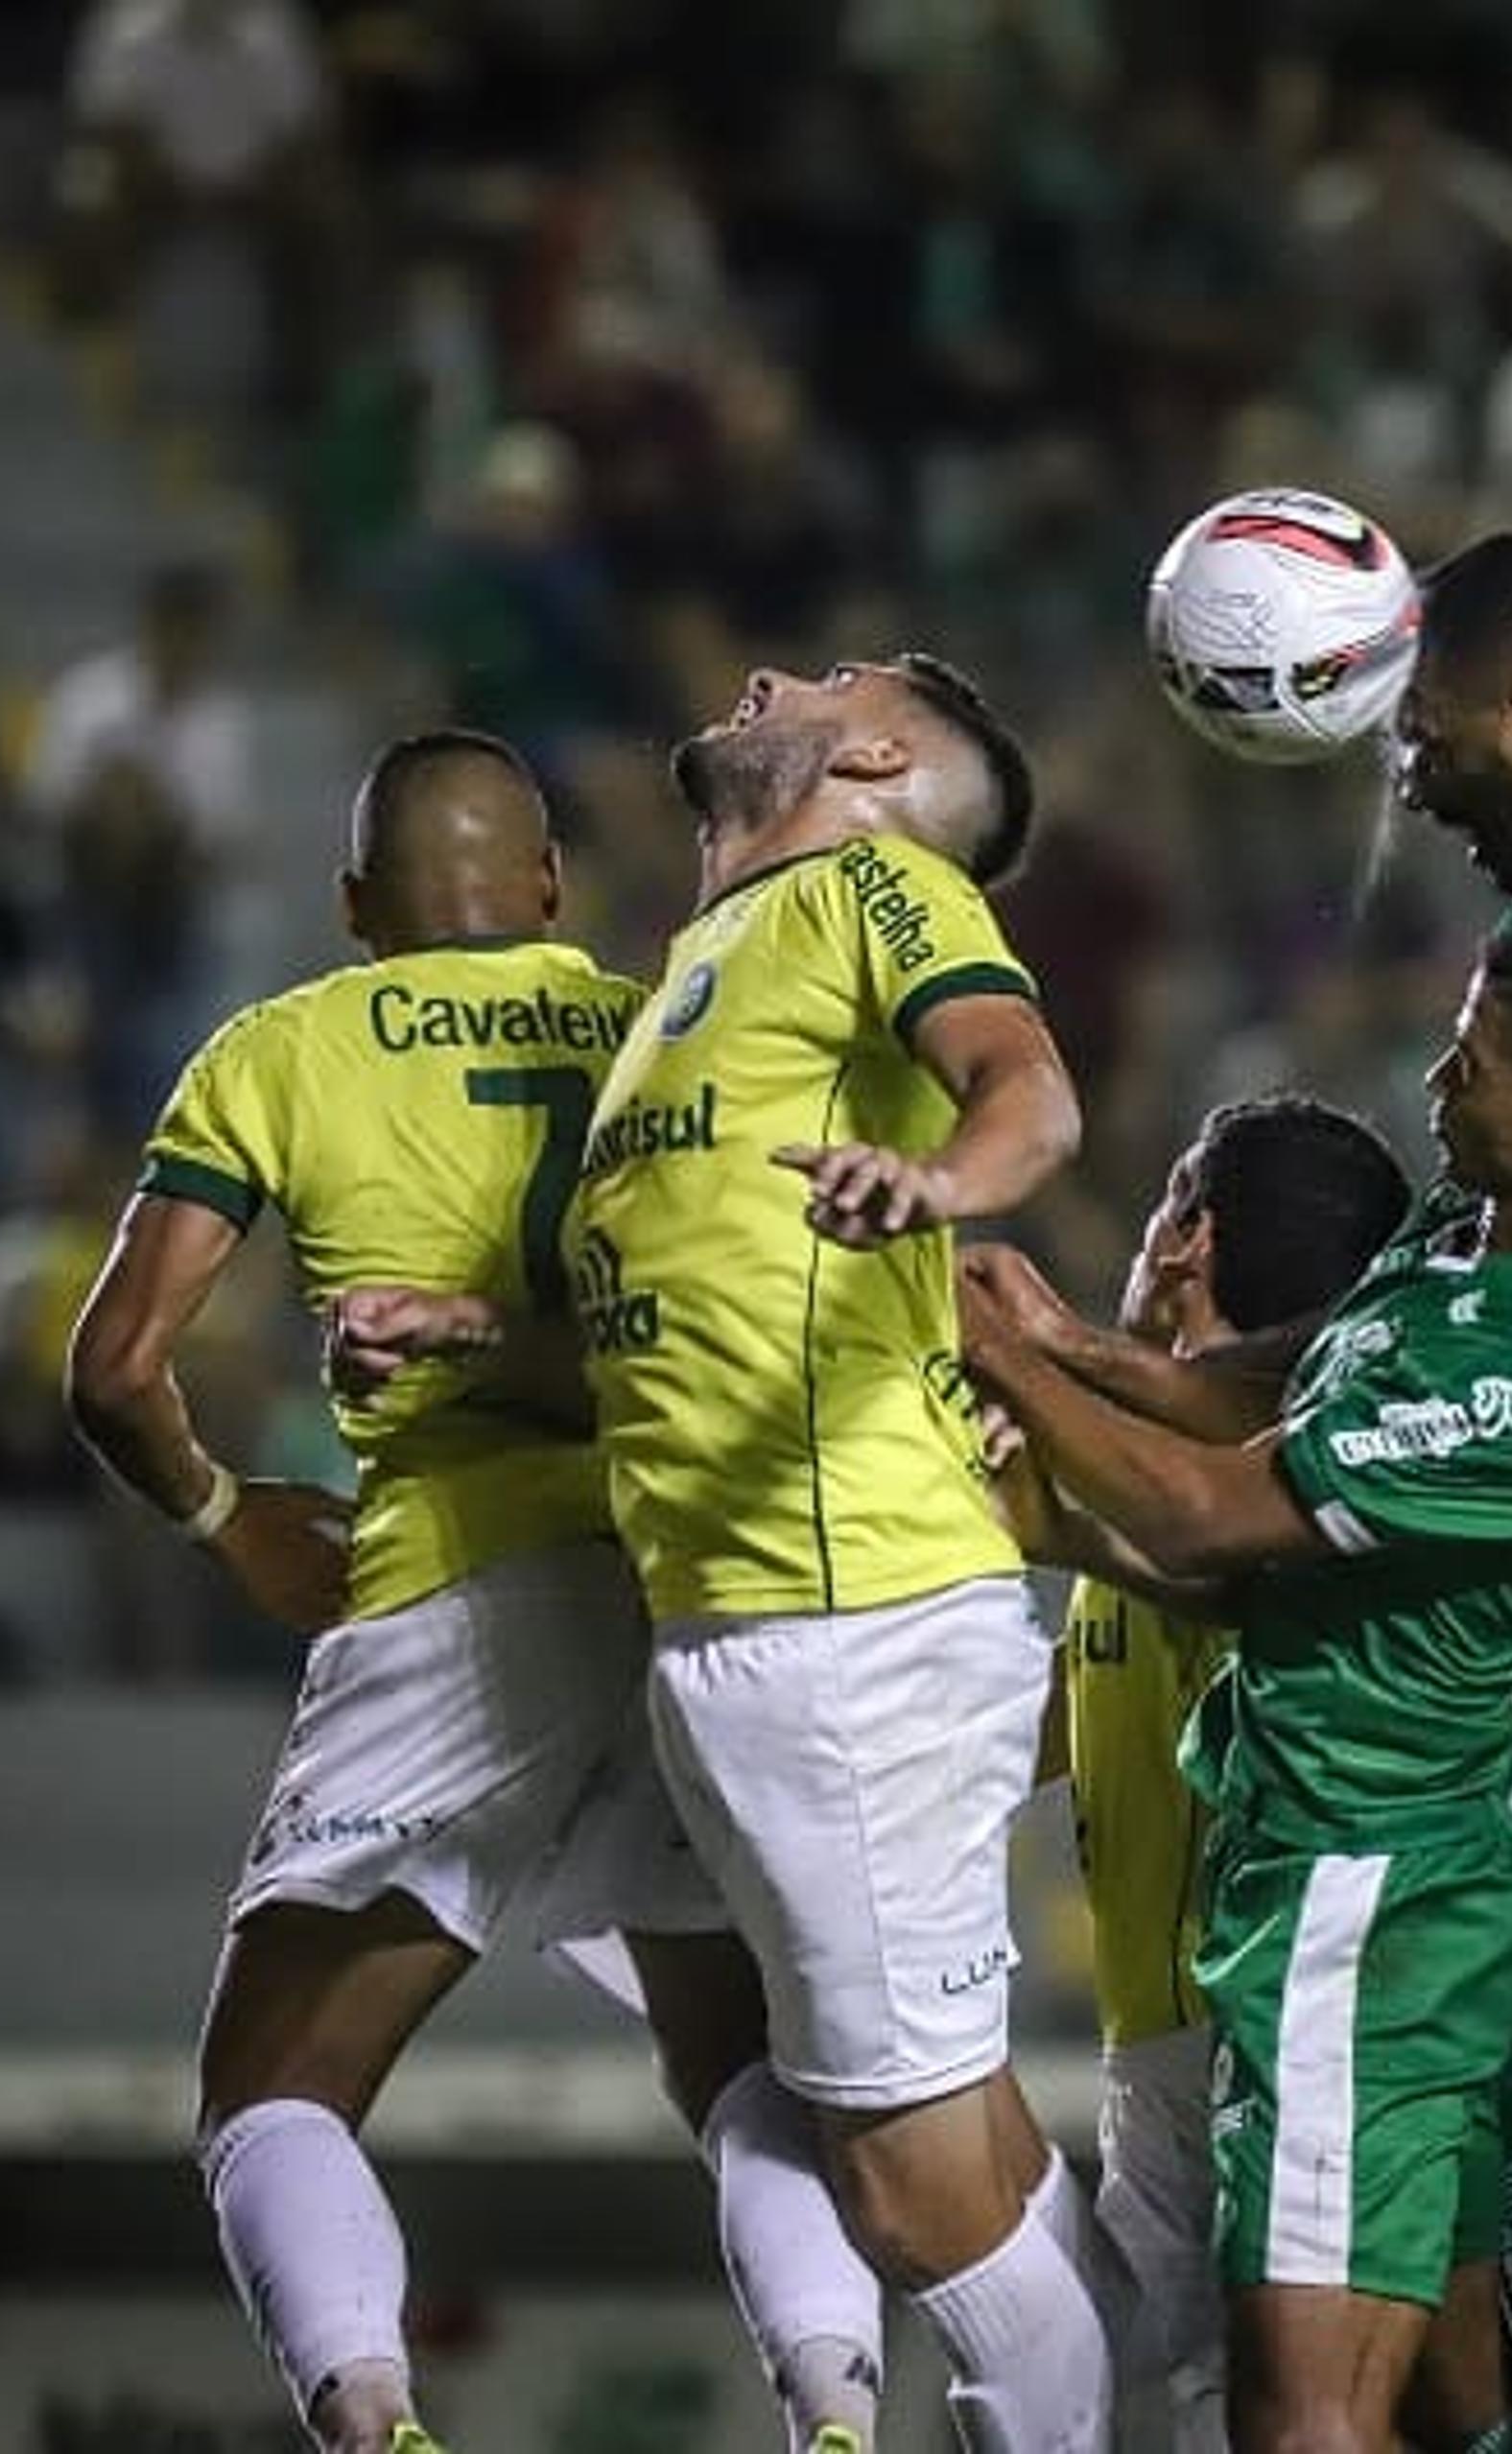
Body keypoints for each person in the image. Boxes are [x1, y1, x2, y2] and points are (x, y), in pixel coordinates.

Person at [976, 527, 1512, 2450]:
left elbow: (1363, 1392)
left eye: (1437, 736)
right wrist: (1107, 1357)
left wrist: (1037, 1368)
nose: (1413, 780)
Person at [349, 653, 1099, 2451]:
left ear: (874, 753)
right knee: (944, 2139)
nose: (763, 674)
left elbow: (1028, 1089)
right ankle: (1156, 2386)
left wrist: (945, 1180)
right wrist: (469, 1328)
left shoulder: (876, 887)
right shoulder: (688, 979)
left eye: (820, 674)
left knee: (914, 2188)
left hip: (849, 1616)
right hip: (753, 1624)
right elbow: (656, 1332)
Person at [61, 731, 776, 2454]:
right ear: (548, 886)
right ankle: (834, 2396)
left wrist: (231, 1515)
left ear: (355, 907)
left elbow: (114, 1367)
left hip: (457, 1585)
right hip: (700, 1583)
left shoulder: (281, 1050)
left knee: (272, 2091)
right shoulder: (665, 1024)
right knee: (740, 2067)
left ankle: (374, 2412)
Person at [957, 911, 1512, 2454]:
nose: (1437, 1077)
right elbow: (1252, 1402)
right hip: (1389, 1897)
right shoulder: (1467, 1267)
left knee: (1300, 2419)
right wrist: (1068, 1350)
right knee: (1433, 2396)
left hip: (1354, 1897)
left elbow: (1209, 1513)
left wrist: (1002, 1357)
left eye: (1475, 1061)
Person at [1032, 1097, 1417, 2454]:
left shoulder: (1245, 1464)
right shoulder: (1146, 1461)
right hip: (1167, 2035)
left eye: (1162, 1205)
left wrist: (1020, 1368)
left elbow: (1203, 1563)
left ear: (1189, 1233)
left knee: (1279, 2412)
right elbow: (1075, 1707)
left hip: (1270, 2021)